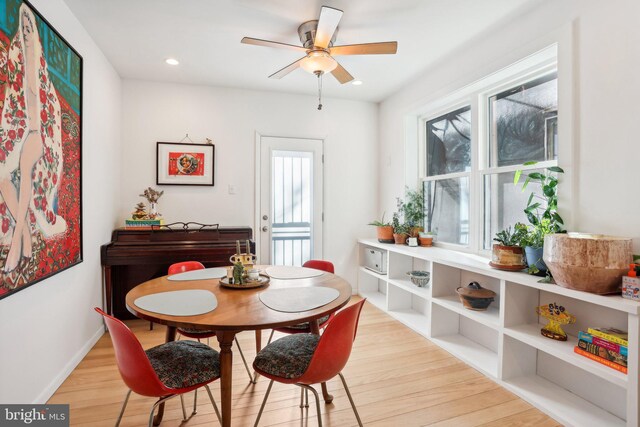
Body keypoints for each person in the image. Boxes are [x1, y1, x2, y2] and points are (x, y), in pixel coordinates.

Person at [0, 4, 66, 273]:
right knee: (4, 176)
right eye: (23, 27)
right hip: (21, 129)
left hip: (39, 134)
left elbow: (52, 107)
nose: (26, 31)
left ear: (35, 32)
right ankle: (24, 230)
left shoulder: (40, 67)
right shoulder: (16, 59)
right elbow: (13, 96)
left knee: (26, 172)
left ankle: (16, 242)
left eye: (30, 27)